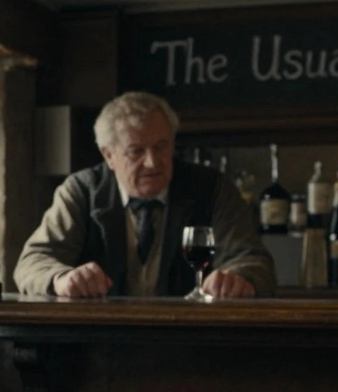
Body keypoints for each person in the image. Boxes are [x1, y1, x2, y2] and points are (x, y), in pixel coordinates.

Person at [14, 91, 275, 298]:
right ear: (109, 155)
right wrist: (61, 279)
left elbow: (254, 261)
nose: (152, 162)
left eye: (161, 146)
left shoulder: (212, 189)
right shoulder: (82, 191)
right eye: (136, 151)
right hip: (99, 338)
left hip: (190, 337)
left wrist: (240, 278)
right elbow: (32, 262)